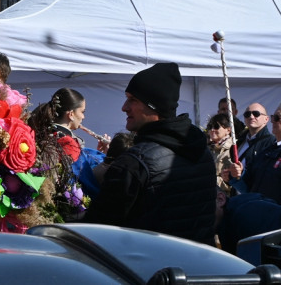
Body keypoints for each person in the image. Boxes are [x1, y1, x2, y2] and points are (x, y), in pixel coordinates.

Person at [85, 62, 217, 244]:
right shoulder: (202, 152)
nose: (124, 107)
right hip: (201, 267)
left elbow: (98, 231)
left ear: (154, 106)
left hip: (148, 268)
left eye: (133, 100)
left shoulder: (135, 162)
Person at [230, 101, 281, 203]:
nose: (273, 121)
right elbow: (251, 185)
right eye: (247, 114)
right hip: (255, 207)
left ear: (265, 119)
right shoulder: (268, 151)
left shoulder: (268, 144)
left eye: (277, 118)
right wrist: (237, 176)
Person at [206, 112, 237, 193]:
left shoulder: (234, 149)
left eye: (216, 126)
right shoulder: (207, 150)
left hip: (225, 198)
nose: (212, 130)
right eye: (210, 127)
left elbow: (233, 181)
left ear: (228, 130)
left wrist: (206, 179)